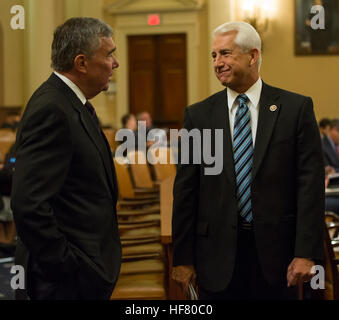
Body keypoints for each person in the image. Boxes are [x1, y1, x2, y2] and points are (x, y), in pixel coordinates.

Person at [172, 21, 325, 300]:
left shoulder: (295, 109)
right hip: (216, 257)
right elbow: (185, 191)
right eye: (214, 55)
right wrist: (182, 258)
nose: (218, 62)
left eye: (226, 53)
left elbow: (310, 188)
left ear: (253, 55)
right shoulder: (199, 116)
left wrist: (305, 252)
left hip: (279, 258)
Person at [11, 17, 121, 300]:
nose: (115, 63)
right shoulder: (52, 109)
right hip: (64, 283)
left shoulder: (73, 104)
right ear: (81, 63)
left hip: (85, 271)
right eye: (109, 55)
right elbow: (29, 205)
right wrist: (67, 266)